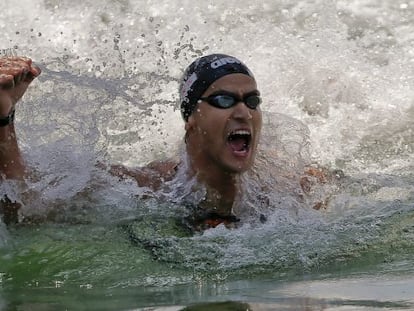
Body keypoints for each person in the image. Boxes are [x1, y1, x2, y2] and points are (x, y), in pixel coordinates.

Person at [0, 54, 333, 229]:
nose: (244, 111)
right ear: (191, 121)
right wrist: (4, 119)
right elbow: (22, 209)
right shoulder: (147, 188)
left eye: (252, 101)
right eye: (223, 100)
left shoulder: (289, 189)